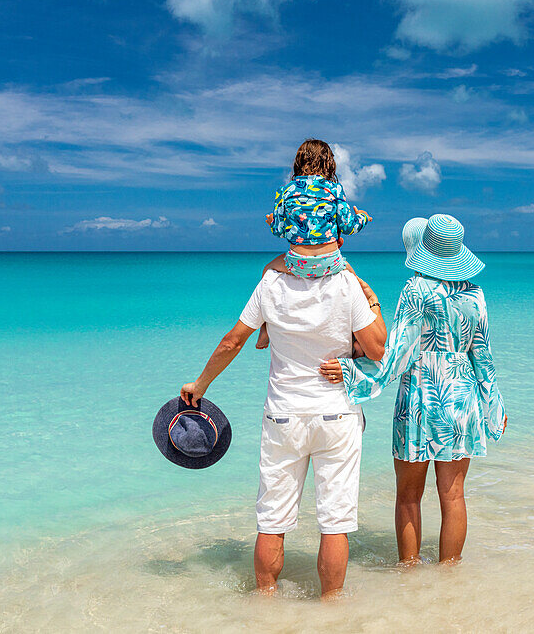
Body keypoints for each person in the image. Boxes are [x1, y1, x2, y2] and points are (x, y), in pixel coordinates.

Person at [180, 257, 386, 599]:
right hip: (335, 415)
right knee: (336, 522)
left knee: (272, 519)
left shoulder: (270, 284)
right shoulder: (347, 284)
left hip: (283, 416)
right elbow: (377, 350)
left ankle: (265, 604)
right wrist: (372, 298)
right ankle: (332, 608)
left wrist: (201, 385)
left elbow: (232, 341)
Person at [320, 214, 507, 566]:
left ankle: (410, 578)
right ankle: (450, 578)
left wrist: (349, 370)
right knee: (454, 497)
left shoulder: (415, 290)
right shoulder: (476, 295)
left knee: (408, 496)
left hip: (424, 397)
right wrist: (493, 405)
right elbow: (483, 356)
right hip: (463, 398)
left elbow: (397, 357)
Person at [256, 138, 371, 350]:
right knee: (357, 284)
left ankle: (264, 329)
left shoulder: (285, 192)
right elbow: (348, 227)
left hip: (297, 264)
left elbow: (280, 231)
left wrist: (272, 222)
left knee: (266, 271)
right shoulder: (334, 190)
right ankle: (358, 336)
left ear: (298, 163)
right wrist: (362, 218)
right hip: (331, 263)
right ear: (329, 164)